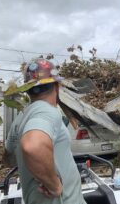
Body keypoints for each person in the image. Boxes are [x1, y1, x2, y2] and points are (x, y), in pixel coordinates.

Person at [5, 58, 86, 204]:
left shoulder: (21, 118)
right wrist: (54, 185)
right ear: (57, 86)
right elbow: (33, 146)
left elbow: (8, 157)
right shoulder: (47, 111)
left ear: (28, 90)